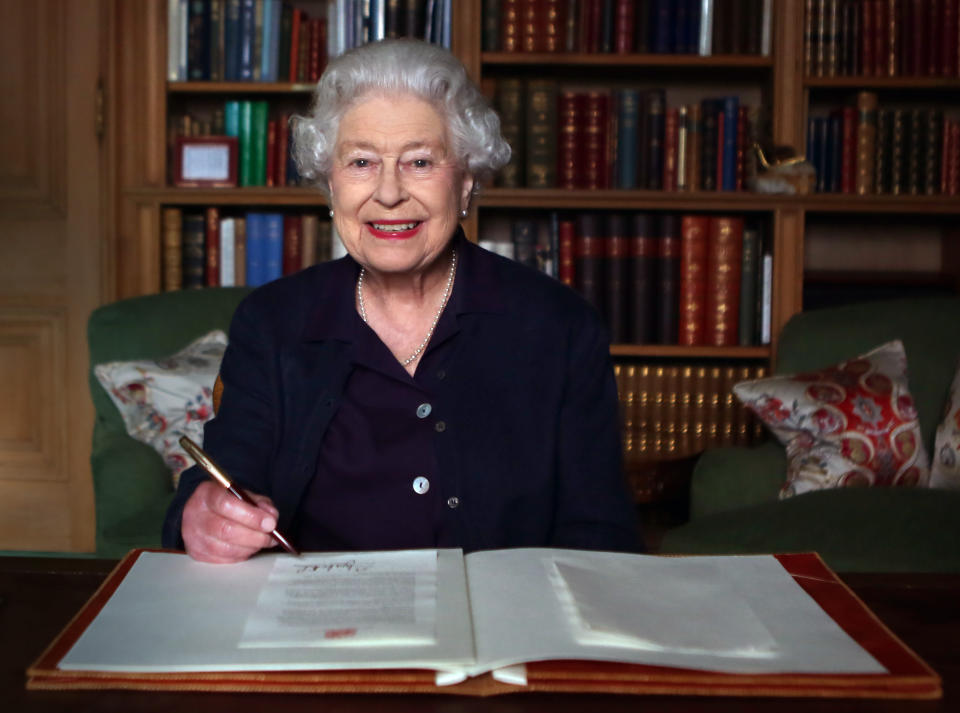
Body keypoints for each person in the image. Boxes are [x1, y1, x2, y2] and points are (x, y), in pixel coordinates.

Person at [161, 39, 640, 563]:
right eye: (362, 162)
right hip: (315, 627)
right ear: (330, 186)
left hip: (501, 628)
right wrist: (203, 514)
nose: (389, 193)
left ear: (466, 183)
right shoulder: (273, 322)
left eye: (418, 162)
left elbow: (600, 533)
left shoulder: (559, 326)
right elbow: (224, 481)